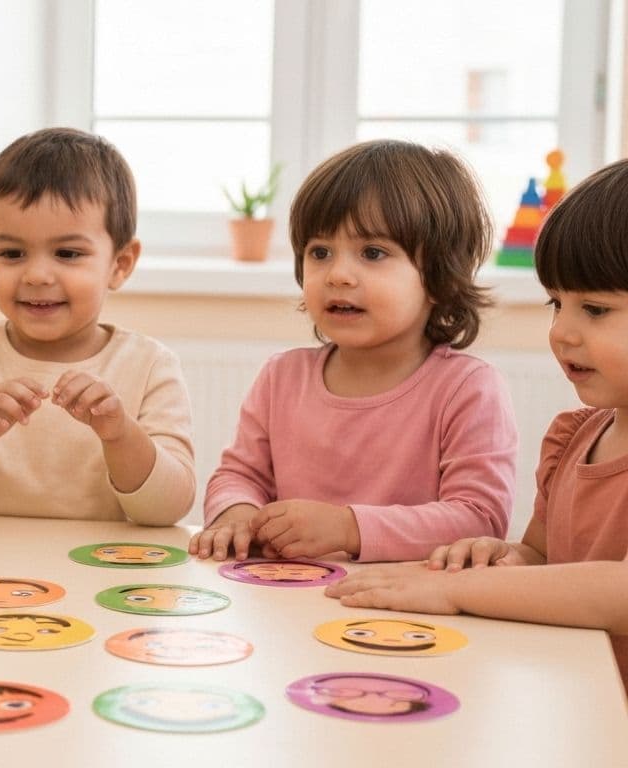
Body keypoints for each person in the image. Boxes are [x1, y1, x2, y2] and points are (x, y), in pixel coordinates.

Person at [326, 158, 628, 692]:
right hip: (583, 703)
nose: (562, 332)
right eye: (557, 303)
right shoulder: (575, 438)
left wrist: (456, 592)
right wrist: (497, 557)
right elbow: (540, 558)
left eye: (596, 310)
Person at [190, 139, 517, 563]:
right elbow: (241, 474)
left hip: (409, 611)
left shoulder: (468, 388)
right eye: (320, 252)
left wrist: (347, 527)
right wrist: (237, 512)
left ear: (439, 277)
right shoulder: (281, 377)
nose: (338, 274)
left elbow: (478, 518)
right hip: (286, 599)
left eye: (373, 253)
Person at [0, 127, 195, 523]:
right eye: (12, 253)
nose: (37, 275)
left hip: (100, 576)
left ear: (120, 264)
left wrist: (120, 435)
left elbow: (169, 509)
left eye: (67, 253)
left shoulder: (150, 366)